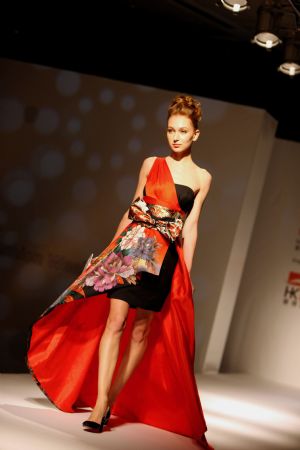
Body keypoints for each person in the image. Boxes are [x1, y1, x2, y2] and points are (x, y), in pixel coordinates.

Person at [26, 94, 213, 448]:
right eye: (171, 129)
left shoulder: (203, 178)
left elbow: (191, 227)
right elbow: (131, 210)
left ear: (196, 134)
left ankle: (110, 398)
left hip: (165, 259)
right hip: (133, 248)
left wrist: (185, 275)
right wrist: (109, 251)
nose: (175, 136)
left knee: (141, 332)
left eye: (183, 131)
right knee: (115, 322)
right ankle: (99, 404)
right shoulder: (150, 163)